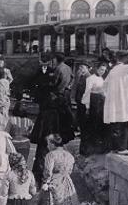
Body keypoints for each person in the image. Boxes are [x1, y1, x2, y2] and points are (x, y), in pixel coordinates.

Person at [29, 55, 75, 184]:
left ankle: (40, 175)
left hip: (47, 131)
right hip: (56, 129)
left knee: (42, 152)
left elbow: (52, 84)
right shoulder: (67, 69)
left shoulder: (56, 72)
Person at [103, 50, 128, 155]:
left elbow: (104, 86)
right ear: (125, 58)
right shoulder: (123, 68)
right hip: (123, 101)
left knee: (116, 125)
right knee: (124, 124)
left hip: (114, 102)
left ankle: (115, 147)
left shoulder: (113, 70)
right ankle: (122, 148)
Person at [81, 62, 108, 155]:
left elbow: (103, 91)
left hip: (101, 102)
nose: (102, 72)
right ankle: (90, 149)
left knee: (99, 124)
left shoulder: (101, 78)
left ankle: (98, 147)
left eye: (104, 70)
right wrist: (87, 107)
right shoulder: (90, 78)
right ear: (96, 68)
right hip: (94, 102)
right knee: (93, 125)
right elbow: (87, 93)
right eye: (101, 69)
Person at [73, 61, 91, 155]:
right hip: (80, 105)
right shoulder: (81, 77)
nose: (81, 70)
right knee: (83, 128)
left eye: (83, 68)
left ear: (88, 68)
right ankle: (83, 150)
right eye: (80, 68)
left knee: (85, 128)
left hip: (85, 106)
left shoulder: (88, 78)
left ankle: (85, 151)